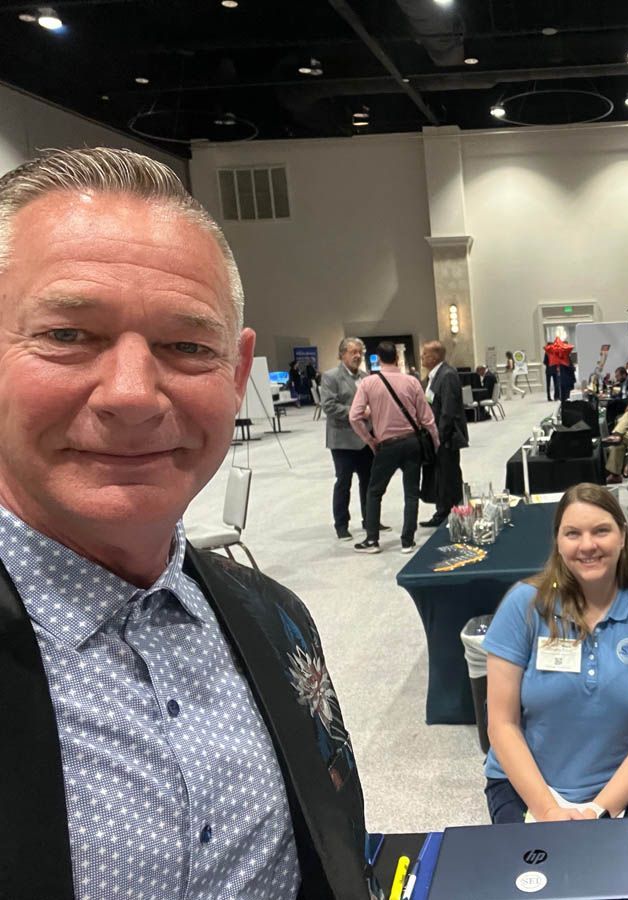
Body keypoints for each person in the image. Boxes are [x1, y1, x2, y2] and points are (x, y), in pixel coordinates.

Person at [0, 148, 369, 899]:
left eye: (186, 346)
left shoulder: (276, 619)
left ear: (237, 376)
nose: (132, 395)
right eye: (69, 335)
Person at [483, 484, 628, 826]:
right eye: (573, 533)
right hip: (526, 787)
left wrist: (596, 811)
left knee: (614, 877)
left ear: (622, 536)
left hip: (620, 791)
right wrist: (548, 811)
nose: (587, 545)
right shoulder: (524, 605)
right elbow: (502, 724)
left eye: (601, 531)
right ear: (558, 543)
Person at [349, 341, 437, 554]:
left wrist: (369, 440)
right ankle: (407, 540)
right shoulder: (412, 382)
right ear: (397, 359)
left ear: (378, 359)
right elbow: (427, 418)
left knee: (375, 492)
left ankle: (372, 540)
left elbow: (354, 416)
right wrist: (435, 443)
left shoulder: (368, 383)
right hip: (411, 442)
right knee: (411, 493)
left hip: (386, 445)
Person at [321, 337, 373, 540]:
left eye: (360, 352)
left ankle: (370, 519)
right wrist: (357, 412)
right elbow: (329, 405)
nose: (357, 356)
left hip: (364, 439)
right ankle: (341, 524)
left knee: (368, 482)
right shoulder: (331, 376)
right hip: (343, 440)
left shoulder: (365, 376)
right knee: (343, 482)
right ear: (342, 354)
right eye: (353, 352)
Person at [420, 340, 469, 527]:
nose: (422, 357)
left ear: (435, 356)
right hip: (435, 434)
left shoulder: (447, 375)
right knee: (440, 474)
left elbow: (448, 410)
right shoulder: (434, 376)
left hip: (446, 437)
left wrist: (438, 436)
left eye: (425, 354)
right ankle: (443, 511)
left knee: (449, 474)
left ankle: (451, 512)